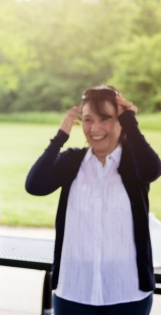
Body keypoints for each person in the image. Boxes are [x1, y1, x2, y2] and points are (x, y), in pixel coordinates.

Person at [26, 85, 161, 315]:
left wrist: (130, 120)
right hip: (74, 291)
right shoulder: (71, 162)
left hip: (127, 292)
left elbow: (151, 170)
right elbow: (35, 185)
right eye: (88, 119)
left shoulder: (134, 163)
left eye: (105, 118)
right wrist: (60, 137)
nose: (95, 128)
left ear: (120, 120)